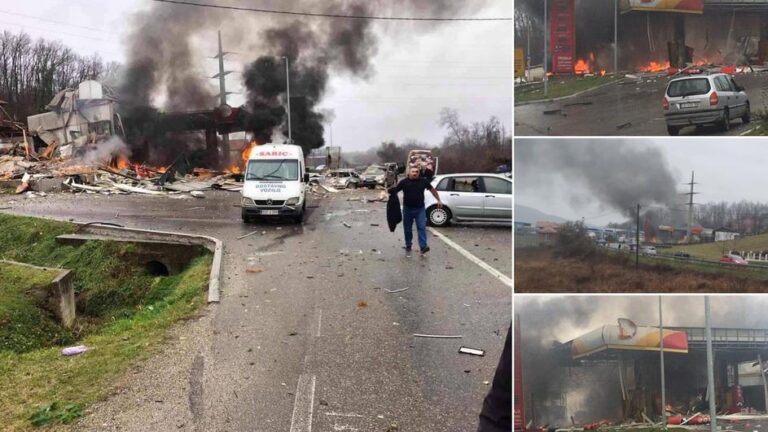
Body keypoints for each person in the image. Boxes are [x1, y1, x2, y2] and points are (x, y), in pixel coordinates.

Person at [388, 166, 442, 254]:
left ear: (418, 173)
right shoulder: (404, 182)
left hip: (420, 209)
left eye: (416, 172)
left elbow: (432, 190)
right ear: (409, 173)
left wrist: (438, 200)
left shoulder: (423, 181)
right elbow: (395, 191)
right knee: (408, 228)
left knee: (421, 227)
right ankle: (408, 245)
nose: (415, 173)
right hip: (407, 209)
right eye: (413, 171)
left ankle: (423, 246)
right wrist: (389, 192)